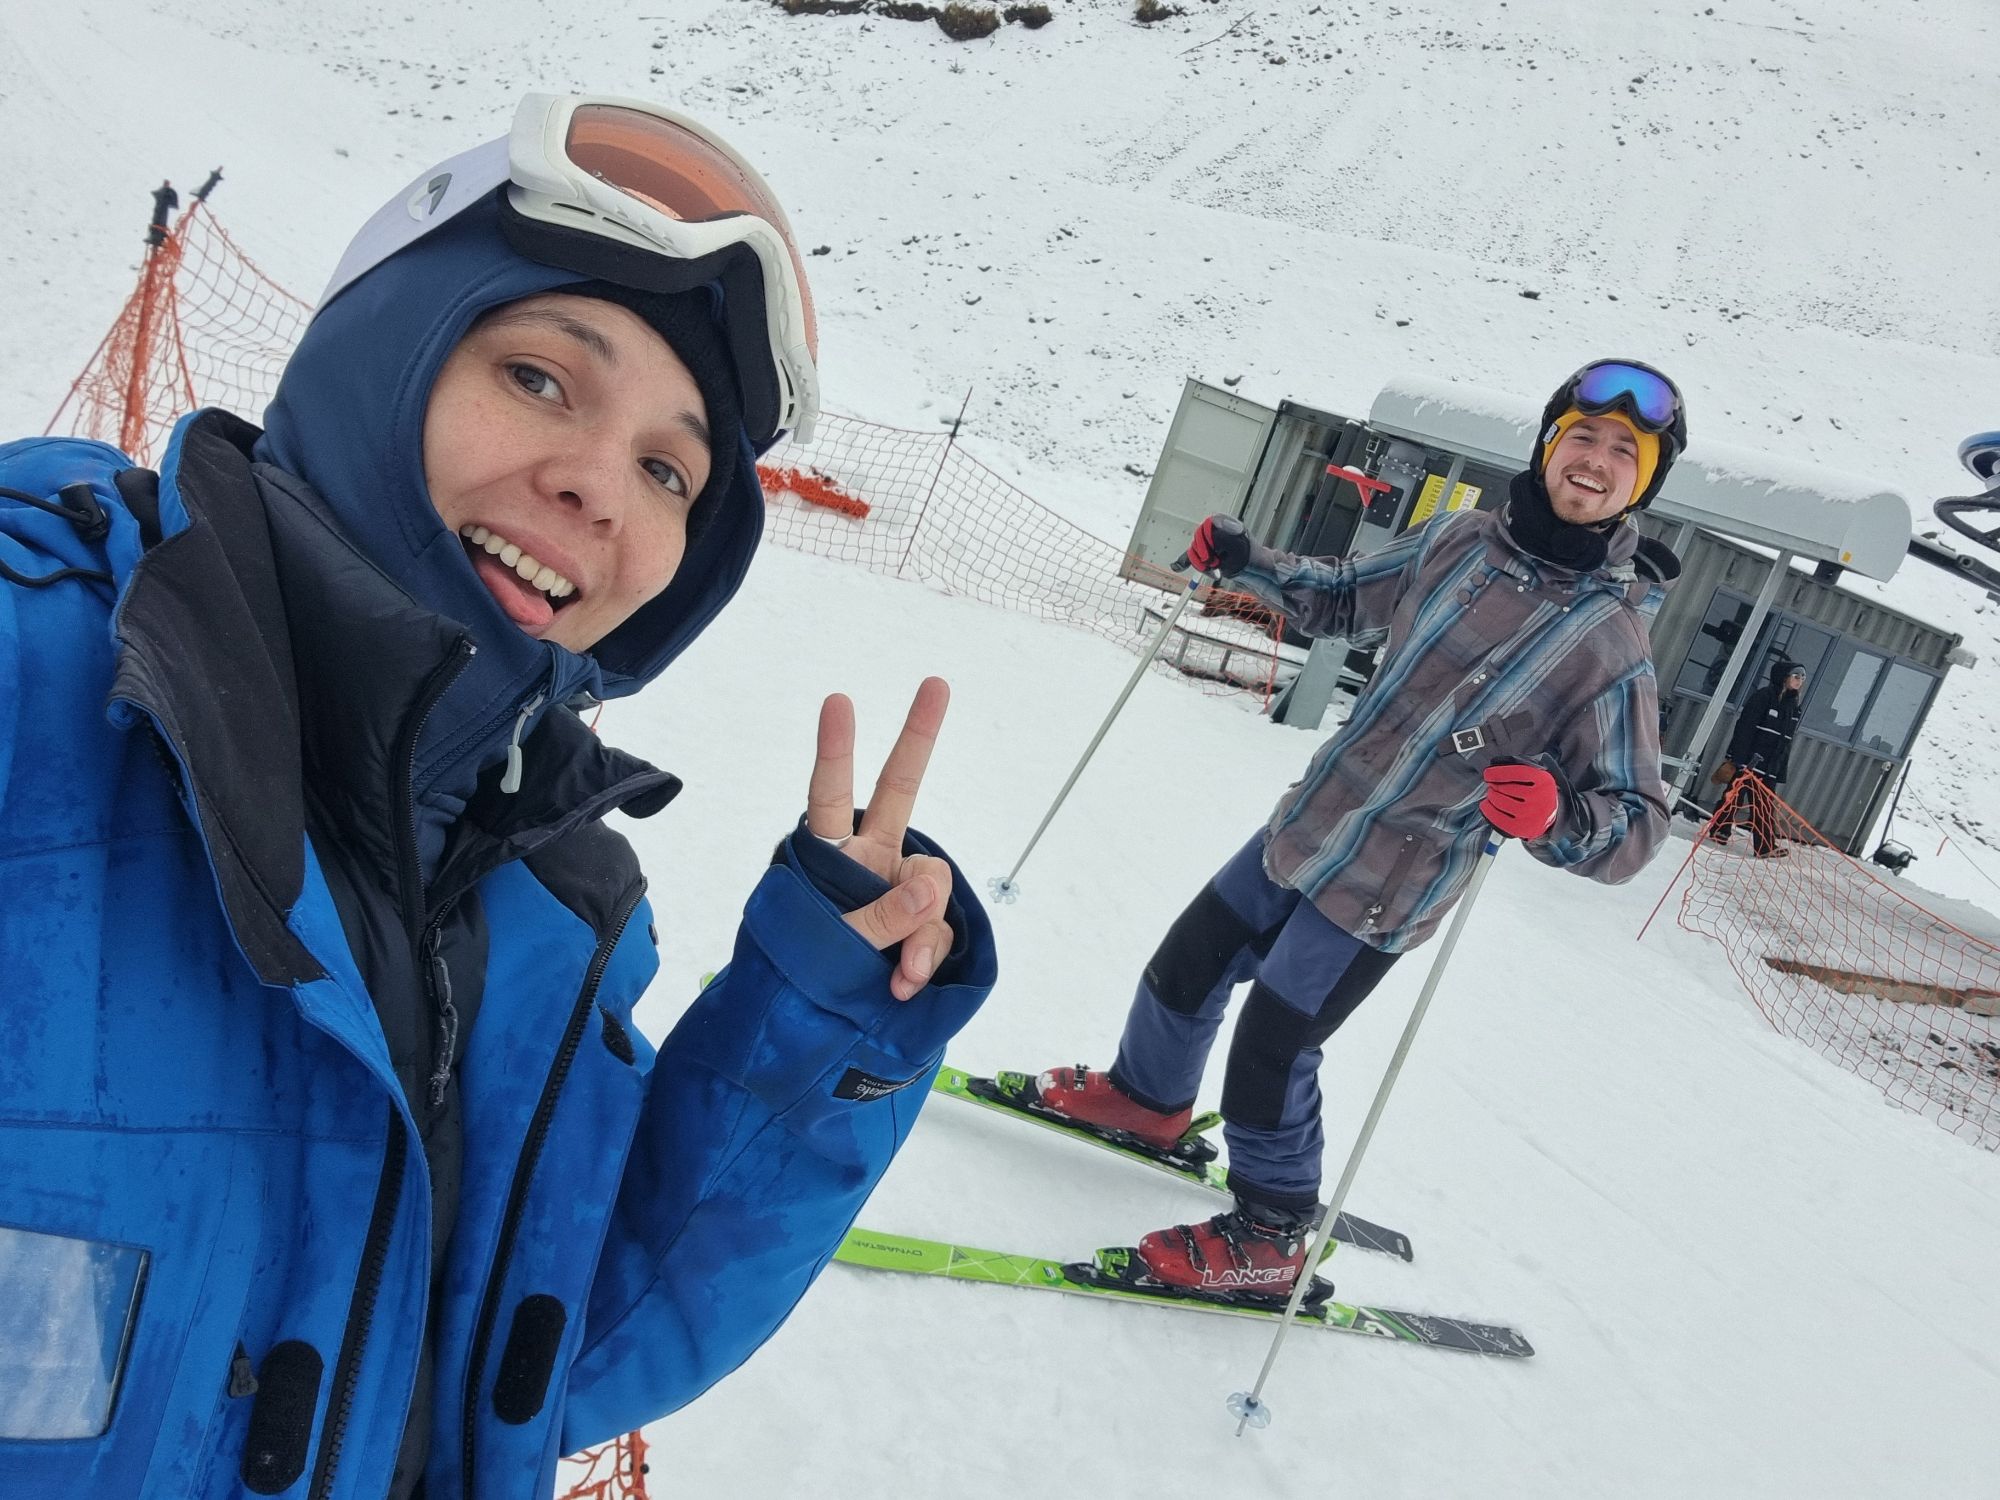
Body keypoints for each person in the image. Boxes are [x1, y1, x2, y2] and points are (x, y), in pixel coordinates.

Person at [0, 93, 995, 1496]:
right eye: (539, 377)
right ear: (384, 354)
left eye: (667, 470)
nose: (598, 489)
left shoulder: (556, 907)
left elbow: (555, 1353)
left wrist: (821, 1010)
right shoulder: (41, 670)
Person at [1029, 360, 1686, 1299]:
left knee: (1274, 1049)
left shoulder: (1611, 646)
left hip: (1388, 882)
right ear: (1549, 445)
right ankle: (1147, 1100)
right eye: (1582, 435)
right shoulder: (1459, 539)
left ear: (1643, 484)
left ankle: (1270, 1234)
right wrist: (1248, 559)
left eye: (1625, 451)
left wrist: (1559, 815)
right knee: (1186, 966)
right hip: (1312, 822)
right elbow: (1342, 596)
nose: (1596, 458)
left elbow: (1637, 823)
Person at [1714, 659, 1807, 857]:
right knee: (1734, 798)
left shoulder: (1793, 706)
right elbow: (1745, 728)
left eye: (1803, 677)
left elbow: (1785, 741)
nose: (1800, 680)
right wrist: (1738, 758)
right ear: (1783, 677)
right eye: (1796, 676)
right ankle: (1720, 830)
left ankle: (1764, 846)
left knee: (1764, 806)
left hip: (1770, 767)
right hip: (1749, 761)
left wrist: (1779, 768)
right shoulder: (1763, 697)